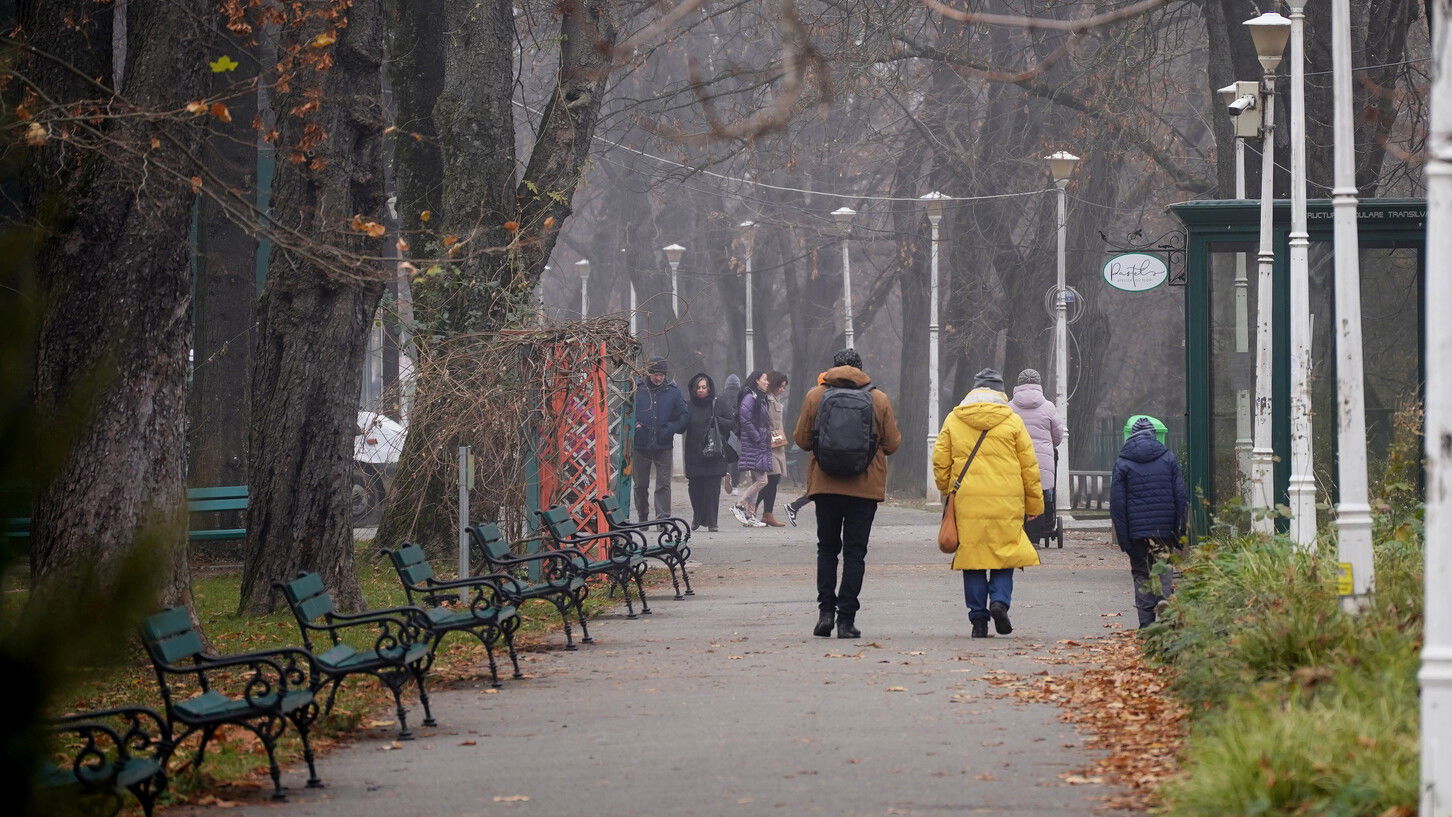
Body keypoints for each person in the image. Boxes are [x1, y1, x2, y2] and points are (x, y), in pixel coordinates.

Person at [792, 348, 902, 639]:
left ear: (833, 368)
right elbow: (891, 444)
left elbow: (802, 441)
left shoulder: (815, 396)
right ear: (861, 369)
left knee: (827, 549)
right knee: (855, 553)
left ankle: (825, 613)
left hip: (825, 486)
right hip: (864, 489)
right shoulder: (878, 399)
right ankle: (846, 620)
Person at [933, 367, 1044, 639]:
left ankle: (978, 620)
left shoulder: (954, 419)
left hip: (967, 500)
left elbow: (940, 462)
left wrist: (949, 490)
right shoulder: (1012, 421)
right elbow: (1029, 467)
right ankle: (999, 601)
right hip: (1007, 500)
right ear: (1000, 392)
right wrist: (1034, 505)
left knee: (972, 558)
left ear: (973, 389)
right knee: (1004, 554)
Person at [1110, 415, 1187, 628]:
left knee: (1141, 572)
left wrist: (1124, 539)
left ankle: (1146, 624)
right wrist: (1180, 531)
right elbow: (1180, 497)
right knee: (1162, 565)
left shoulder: (1123, 462)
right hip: (1163, 528)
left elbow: (1117, 504)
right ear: (1154, 436)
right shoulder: (1169, 458)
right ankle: (1163, 599)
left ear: (1130, 436)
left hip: (1136, 531)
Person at [632, 357, 688, 523]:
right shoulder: (638, 389)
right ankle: (643, 516)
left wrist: (670, 429)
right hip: (640, 445)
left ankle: (662, 518)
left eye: (662, 375)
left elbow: (684, 416)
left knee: (663, 484)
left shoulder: (673, 392)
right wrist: (635, 425)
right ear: (649, 373)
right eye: (656, 374)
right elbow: (626, 411)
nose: (659, 378)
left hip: (663, 445)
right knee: (640, 485)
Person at [682, 373, 736, 531]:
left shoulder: (719, 403)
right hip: (694, 453)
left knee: (712, 490)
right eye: (697, 387)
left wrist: (717, 420)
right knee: (695, 489)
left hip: (715, 453)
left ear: (709, 387)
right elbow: (681, 427)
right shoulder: (688, 405)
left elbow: (732, 423)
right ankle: (697, 517)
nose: (700, 390)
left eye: (703, 387)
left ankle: (712, 522)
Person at [1009, 368, 1065, 503]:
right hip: (1042, 465)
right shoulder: (1049, 407)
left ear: (1018, 385)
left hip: (1017, 465)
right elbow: (1057, 437)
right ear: (1039, 384)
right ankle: (1045, 519)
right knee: (1045, 497)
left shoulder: (1009, 408)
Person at [782, 369, 829, 526]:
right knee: (822, 486)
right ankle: (794, 506)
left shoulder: (815, 397)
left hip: (820, 447)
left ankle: (795, 506)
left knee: (822, 486)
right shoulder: (823, 398)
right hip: (826, 448)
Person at [731, 371, 773, 527]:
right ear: (757, 381)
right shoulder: (750, 398)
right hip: (754, 444)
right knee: (763, 480)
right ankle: (739, 504)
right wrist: (757, 437)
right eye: (765, 379)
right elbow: (744, 418)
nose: (767, 382)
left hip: (760, 443)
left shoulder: (760, 398)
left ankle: (750, 516)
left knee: (757, 480)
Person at [753, 370, 791, 527]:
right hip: (768, 444)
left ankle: (767, 514)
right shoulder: (766, 400)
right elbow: (764, 423)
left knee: (775, 479)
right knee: (769, 479)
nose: (782, 389)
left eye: (784, 387)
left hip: (777, 445)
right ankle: (750, 508)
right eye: (780, 386)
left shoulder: (776, 400)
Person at [719, 374, 743, 495]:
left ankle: (724, 473)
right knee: (736, 458)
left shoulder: (721, 397)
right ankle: (734, 485)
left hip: (724, 431)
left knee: (723, 455)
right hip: (737, 432)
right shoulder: (741, 397)